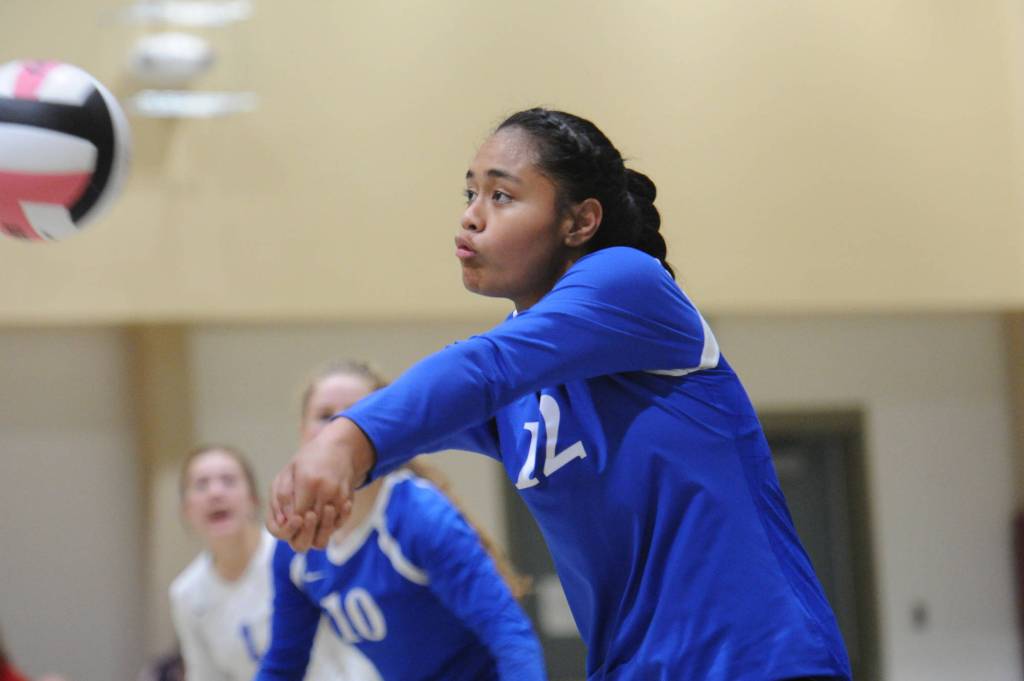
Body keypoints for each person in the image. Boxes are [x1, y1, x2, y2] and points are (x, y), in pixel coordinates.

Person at [268, 108, 853, 681]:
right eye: (470, 193)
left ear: (579, 222)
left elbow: (482, 368)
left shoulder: (628, 280)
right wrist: (336, 477)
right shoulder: (518, 376)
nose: (471, 216)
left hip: (755, 659)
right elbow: (430, 412)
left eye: (501, 196)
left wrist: (345, 441)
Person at [257, 361, 544, 681]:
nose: (336, 431)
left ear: (384, 432)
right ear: (303, 433)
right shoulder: (298, 543)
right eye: (325, 416)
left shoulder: (417, 514)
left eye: (355, 415)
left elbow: (509, 634)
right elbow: (283, 665)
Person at [170, 445, 375, 681]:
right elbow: (205, 675)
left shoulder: (295, 553)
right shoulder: (186, 594)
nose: (215, 493)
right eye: (201, 484)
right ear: (186, 510)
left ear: (253, 499)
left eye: (228, 481)